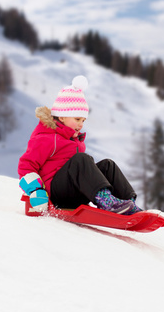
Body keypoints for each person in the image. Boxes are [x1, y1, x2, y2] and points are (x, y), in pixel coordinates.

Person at [18, 75, 143, 215]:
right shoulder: (47, 138)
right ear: (61, 116)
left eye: (83, 120)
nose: (81, 124)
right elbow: (26, 165)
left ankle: (129, 204)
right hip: (55, 194)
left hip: (74, 192)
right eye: (77, 119)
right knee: (82, 159)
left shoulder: (74, 140)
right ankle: (106, 201)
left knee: (108, 165)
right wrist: (36, 191)